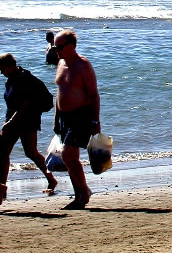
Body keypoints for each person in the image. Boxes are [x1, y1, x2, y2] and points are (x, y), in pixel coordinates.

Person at [0, 53, 58, 205]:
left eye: (2, 69)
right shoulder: (12, 79)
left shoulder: (22, 79)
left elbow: (24, 104)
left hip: (24, 120)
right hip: (22, 119)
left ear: (10, 66)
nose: (1, 72)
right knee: (26, 152)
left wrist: (10, 122)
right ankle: (51, 179)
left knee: (8, 152)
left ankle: (2, 188)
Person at [53, 29, 101, 210]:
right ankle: (79, 194)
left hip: (81, 115)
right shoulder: (61, 63)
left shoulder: (83, 65)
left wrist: (95, 121)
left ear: (71, 46)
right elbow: (59, 92)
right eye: (54, 47)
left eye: (60, 47)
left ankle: (84, 191)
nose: (56, 50)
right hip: (64, 117)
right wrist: (56, 119)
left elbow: (94, 95)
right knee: (70, 158)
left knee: (68, 154)